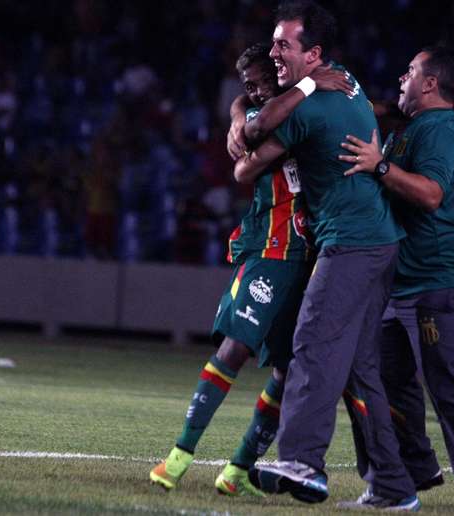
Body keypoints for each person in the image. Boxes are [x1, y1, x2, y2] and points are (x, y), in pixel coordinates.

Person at [231, 1, 419, 510]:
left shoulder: (305, 106)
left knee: (310, 342)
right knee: (358, 370)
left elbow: (249, 147)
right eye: (272, 42)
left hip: (352, 244)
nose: (273, 53)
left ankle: (303, 463)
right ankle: (394, 486)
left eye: (283, 45)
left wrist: (240, 124)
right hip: (380, 240)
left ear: (312, 54)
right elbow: (254, 117)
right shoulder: (343, 79)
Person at [148, 42, 347, 497]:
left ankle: (238, 470)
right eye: (248, 88)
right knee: (235, 349)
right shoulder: (270, 115)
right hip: (272, 251)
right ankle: (178, 458)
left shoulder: (308, 105)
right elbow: (246, 151)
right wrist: (241, 111)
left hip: (313, 258)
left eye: (262, 82)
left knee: (286, 366)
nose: (255, 93)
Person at [338, 46, 454, 516]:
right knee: (373, 376)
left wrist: (379, 165)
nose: (402, 76)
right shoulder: (418, 127)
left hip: (438, 281)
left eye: (411, 71)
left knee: (453, 387)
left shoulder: (439, 129)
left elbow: (432, 195)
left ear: (431, 83)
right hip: (401, 282)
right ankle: (404, 478)